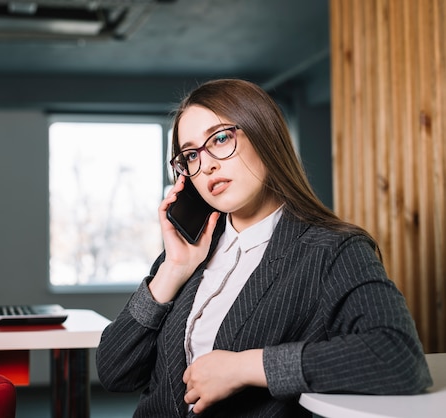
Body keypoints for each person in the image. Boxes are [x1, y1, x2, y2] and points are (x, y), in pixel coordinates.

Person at [95, 79, 432, 417]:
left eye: (221, 138)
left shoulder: (331, 250)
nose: (207, 164)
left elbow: (398, 357)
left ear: (264, 134)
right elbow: (114, 372)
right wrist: (172, 270)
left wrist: (246, 367)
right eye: (192, 154)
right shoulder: (187, 249)